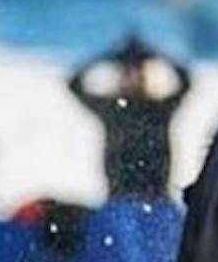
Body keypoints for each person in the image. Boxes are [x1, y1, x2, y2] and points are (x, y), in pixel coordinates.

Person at [67, 32, 193, 199]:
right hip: (119, 197)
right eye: (127, 73)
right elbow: (74, 84)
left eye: (138, 72)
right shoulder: (113, 110)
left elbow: (186, 81)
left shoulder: (158, 108)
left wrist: (156, 55)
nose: (133, 78)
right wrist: (108, 57)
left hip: (157, 196)